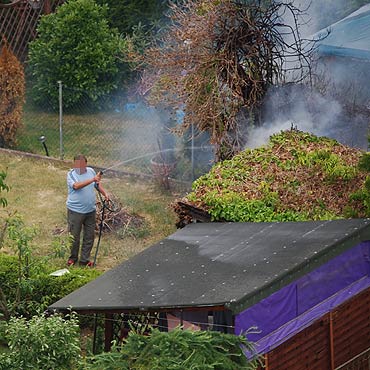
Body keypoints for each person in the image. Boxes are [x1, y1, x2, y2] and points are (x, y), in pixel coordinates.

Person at [66, 154, 109, 267]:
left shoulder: (90, 171)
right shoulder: (71, 174)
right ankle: (73, 258)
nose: (79, 168)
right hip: (75, 211)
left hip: (90, 210)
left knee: (89, 236)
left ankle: (84, 260)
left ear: (86, 164)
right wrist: (92, 179)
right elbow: (76, 186)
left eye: (82, 166)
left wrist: (105, 193)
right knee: (74, 236)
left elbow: (96, 185)